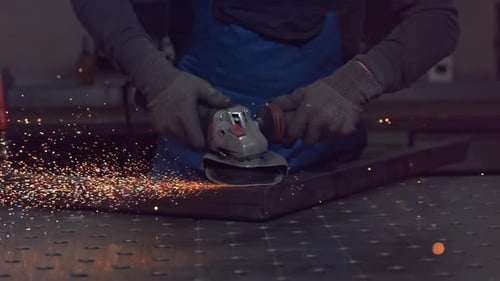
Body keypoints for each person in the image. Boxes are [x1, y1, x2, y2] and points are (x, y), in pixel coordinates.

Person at [71, 0, 459, 175]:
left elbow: (436, 17)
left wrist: (356, 83)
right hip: (192, 177)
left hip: (324, 184)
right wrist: (154, 78)